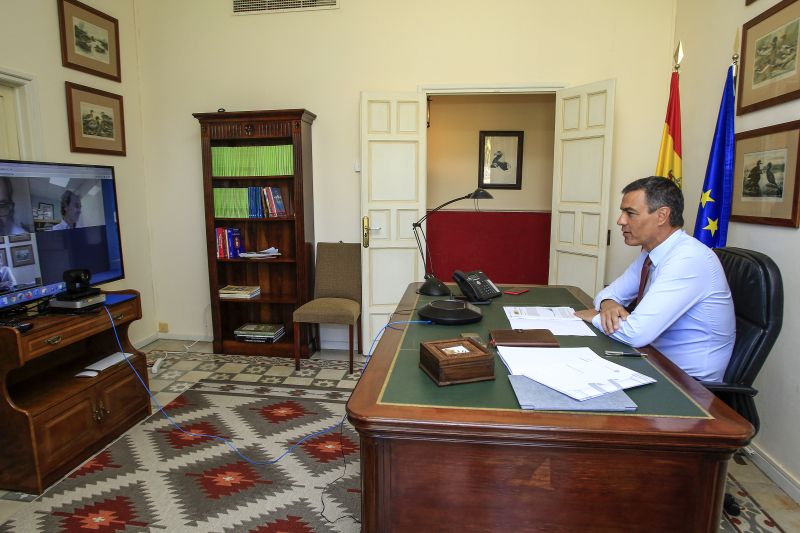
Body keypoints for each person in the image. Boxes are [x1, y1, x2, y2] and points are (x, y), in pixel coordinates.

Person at [574, 176, 735, 381]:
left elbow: (636, 334)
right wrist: (608, 305)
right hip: (654, 362)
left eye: (630, 213)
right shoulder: (651, 253)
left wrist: (594, 317)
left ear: (662, 216)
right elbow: (608, 294)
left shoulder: (688, 258)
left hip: (688, 384)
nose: (620, 221)